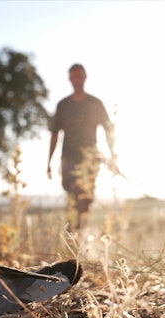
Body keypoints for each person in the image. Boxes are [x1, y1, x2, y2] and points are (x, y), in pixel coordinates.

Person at [47, 64, 115, 230]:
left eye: (79, 76)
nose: (76, 80)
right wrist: (48, 162)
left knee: (85, 197)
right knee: (73, 194)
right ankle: (73, 232)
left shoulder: (96, 104)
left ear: (85, 77)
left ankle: (80, 232)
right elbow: (55, 133)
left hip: (90, 159)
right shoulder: (63, 105)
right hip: (68, 158)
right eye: (73, 76)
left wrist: (113, 156)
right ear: (70, 79)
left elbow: (108, 130)